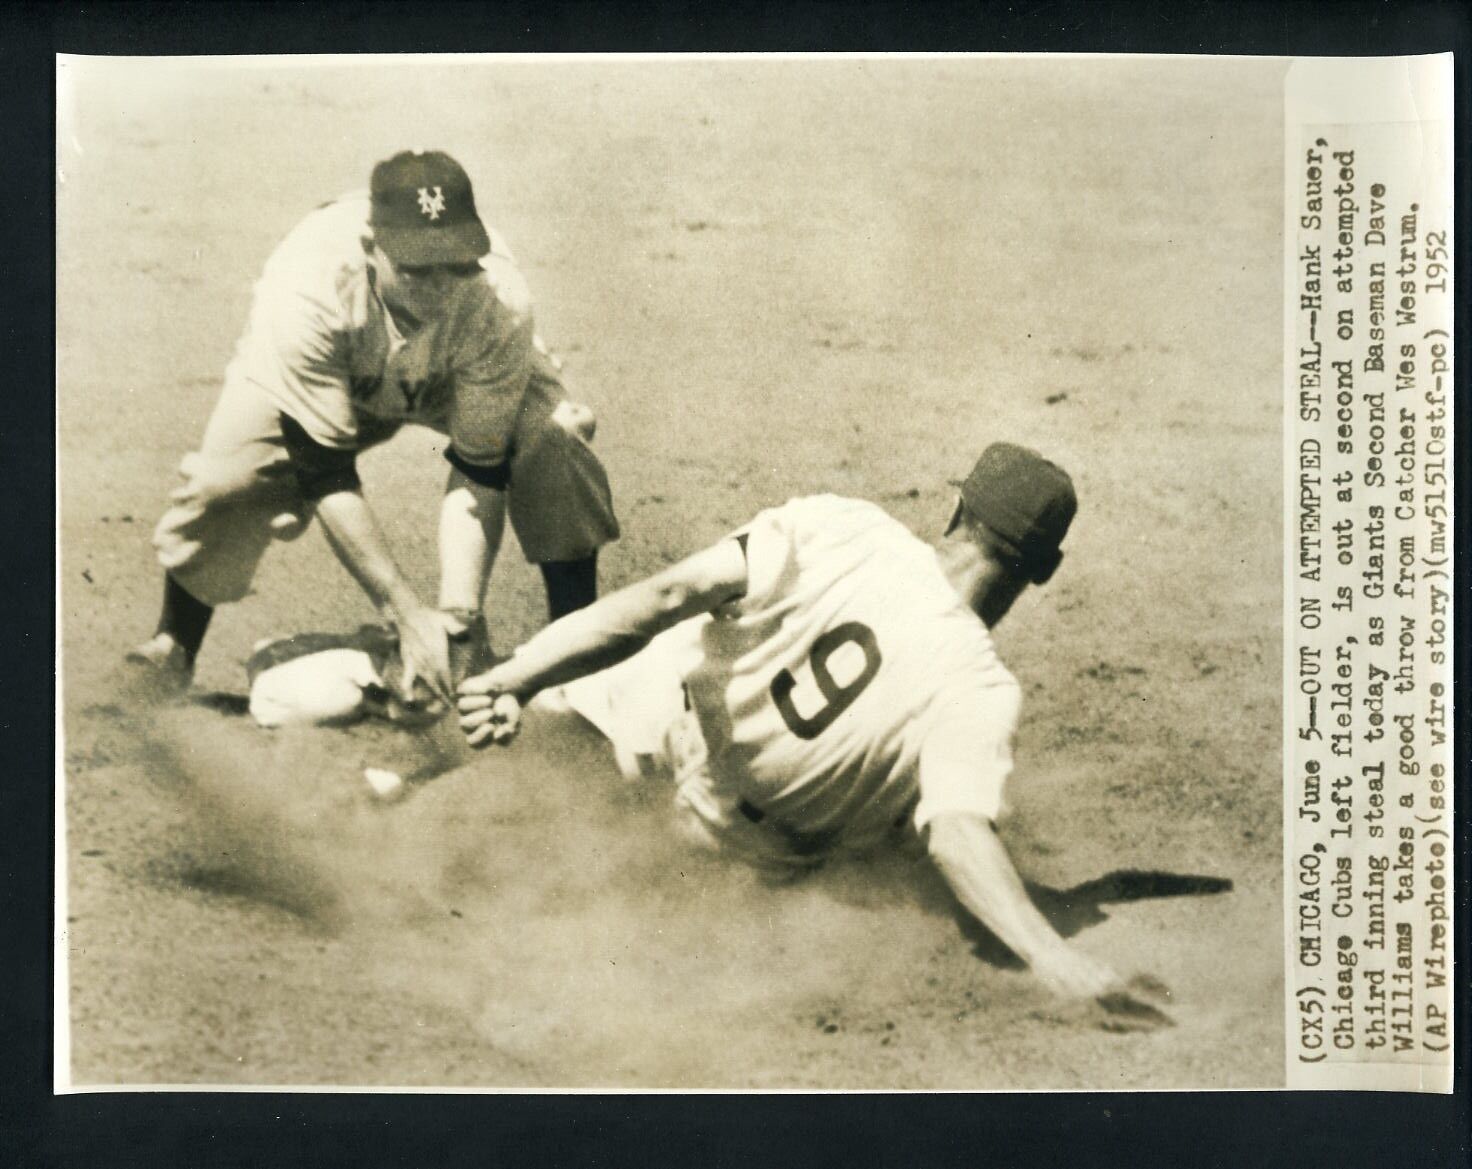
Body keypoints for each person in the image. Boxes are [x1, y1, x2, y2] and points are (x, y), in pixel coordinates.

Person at [456, 443, 1170, 1023]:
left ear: (954, 511)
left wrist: (517, 675)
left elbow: (664, 597)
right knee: (908, 817)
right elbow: (958, 833)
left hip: (632, 740)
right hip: (719, 860)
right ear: (1041, 571)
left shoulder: (843, 525)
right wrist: (1054, 958)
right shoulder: (980, 691)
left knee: (686, 643)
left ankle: (427, 755)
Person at [127, 149, 619, 700]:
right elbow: (325, 471)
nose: (438, 285)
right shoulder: (306, 286)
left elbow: (480, 469)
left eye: (455, 263)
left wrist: (458, 619)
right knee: (231, 479)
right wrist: (406, 613)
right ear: (371, 248)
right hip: (333, 369)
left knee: (555, 439)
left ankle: (579, 658)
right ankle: (176, 642)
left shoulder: (498, 300)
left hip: (451, 375)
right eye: (415, 267)